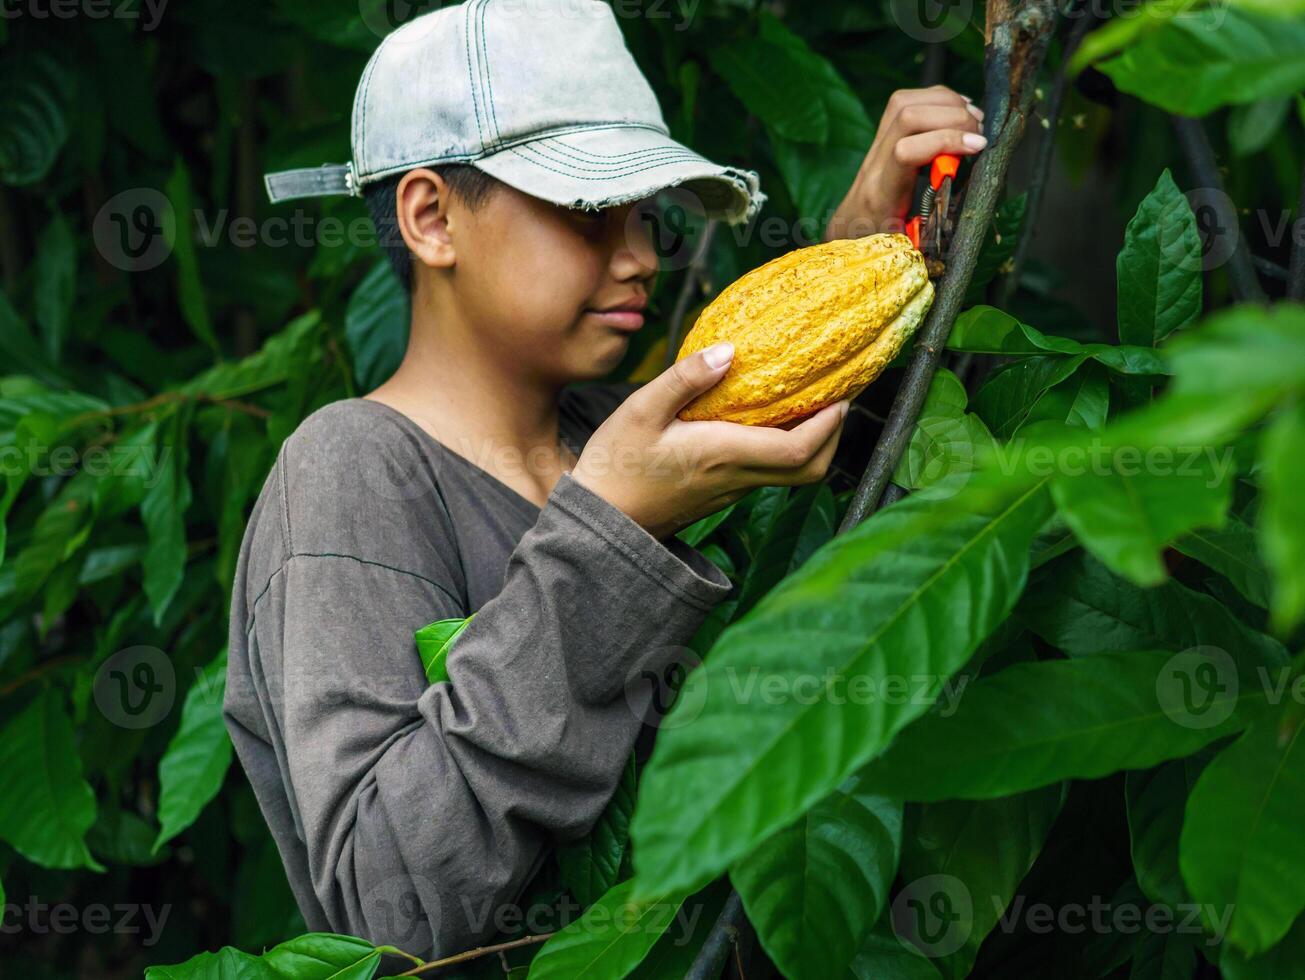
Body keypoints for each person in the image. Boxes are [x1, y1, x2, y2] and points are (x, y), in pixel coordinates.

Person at [224, 0, 987, 964]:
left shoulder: (626, 440)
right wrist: (610, 532)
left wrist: (862, 259)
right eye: (589, 213)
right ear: (431, 218)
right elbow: (393, 911)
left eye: (644, 215)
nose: (639, 256)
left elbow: (853, 531)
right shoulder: (352, 468)